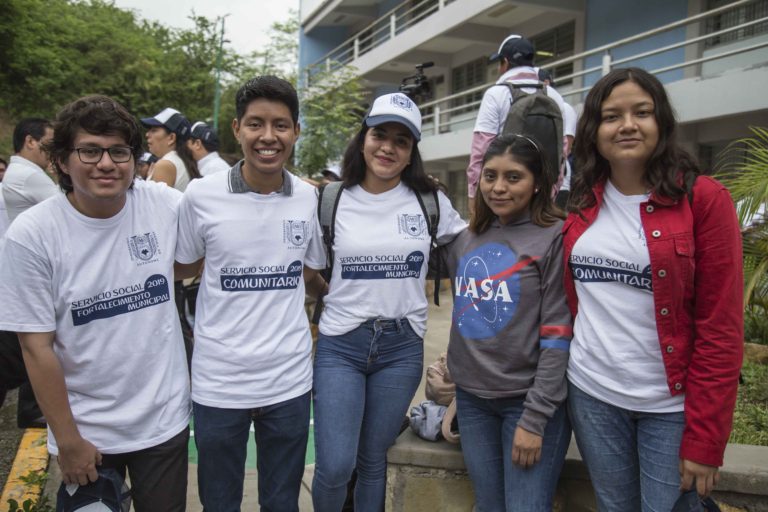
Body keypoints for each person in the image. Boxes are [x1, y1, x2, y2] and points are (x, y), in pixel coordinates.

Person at [563, 67, 743, 510]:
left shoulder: (704, 200)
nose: (626, 124)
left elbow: (721, 328)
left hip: (671, 407)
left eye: (641, 112)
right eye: (611, 116)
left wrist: (706, 440)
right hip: (592, 394)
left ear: (660, 122)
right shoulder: (581, 202)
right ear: (594, 130)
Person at [0, 95, 191, 511]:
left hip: (162, 424)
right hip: (86, 436)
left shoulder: (162, 204)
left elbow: (220, 231)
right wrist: (68, 441)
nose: (107, 163)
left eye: (119, 150)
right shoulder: (33, 235)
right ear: (62, 161)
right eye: (90, 150)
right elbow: (36, 345)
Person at [175, 75, 326, 512]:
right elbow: (183, 265)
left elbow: (308, 270)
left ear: (296, 132)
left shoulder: (307, 198)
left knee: (282, 503)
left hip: (289, 380)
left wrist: (336, 301)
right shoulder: (201, 196)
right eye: (256, 124)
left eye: (281, 125)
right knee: (219, 502)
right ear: (237, 128)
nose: (268, 136)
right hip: (219, 381)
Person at [311, 92, 465, 512]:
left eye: (402, 140)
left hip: (401, 347)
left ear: (412, 150)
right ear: (363, 138)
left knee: (373, 461)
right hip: (341, 345)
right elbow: (307, 265)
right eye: (380, 134)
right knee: (334, 465)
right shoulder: (331, 200)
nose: (388, 147)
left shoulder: (429, 202)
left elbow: (474, 249)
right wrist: (328, 295)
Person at [438, 134, 571, 511]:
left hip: (526, 402)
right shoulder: (467, 237)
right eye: (490, 175)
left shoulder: (555, 237)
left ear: (538, 183)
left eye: (513, 178)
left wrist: (535, 417)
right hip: (473, 400)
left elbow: (558, 334)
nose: (498, 188)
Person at [466, 35, 567, 212]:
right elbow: (561, 152)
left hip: (502, 198)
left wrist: (474, 198)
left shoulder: (496, 94)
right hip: (541, 199)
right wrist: (551, 195)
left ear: (504, 62)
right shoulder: (553, 95)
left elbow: (481, 151)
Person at [2, 117, 57, 223]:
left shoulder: (17, 169)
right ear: (30, 141)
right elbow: (66, 207)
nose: (53, 150)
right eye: (50, 144)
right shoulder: (29, 174)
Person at [141, 107, 199, 191]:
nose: (147, 134)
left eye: (154, 130)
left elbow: (155, 203)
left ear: (171, 138)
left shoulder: (165, 164)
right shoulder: (179, 160)